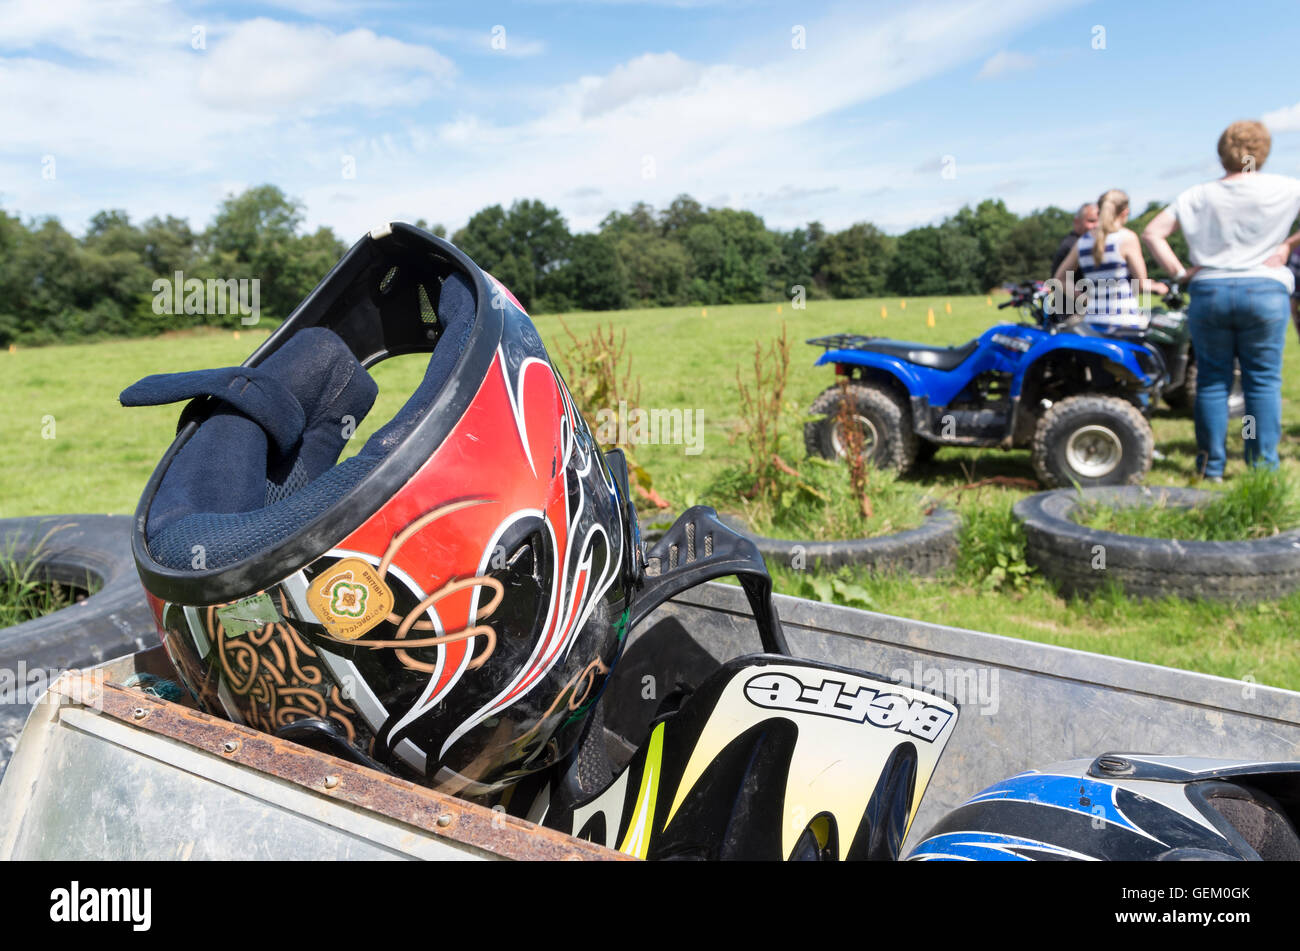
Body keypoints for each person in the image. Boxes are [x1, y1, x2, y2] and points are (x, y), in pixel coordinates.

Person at [1143, 120, 1300, 481]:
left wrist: (1181, 272)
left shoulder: (1197, 195)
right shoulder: (1285, 188)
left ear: (1221, 152)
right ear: (1264, 150)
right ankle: (1260, 466)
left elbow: (1153, 232)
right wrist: (1286, 246)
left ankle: (1211, 466)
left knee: (1213, 381)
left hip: (1210, 290)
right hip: (1264, 290)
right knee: (1261, 381)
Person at [1053, 189, 1167, 330]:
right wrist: (1159, 287)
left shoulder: (1083, 241)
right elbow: (1141, 284)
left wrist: (1086, 300)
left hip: (1092, 321)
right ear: (1125, 212)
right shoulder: (1126, 238)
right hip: (1124, 321)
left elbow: (1059, 279)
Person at [1048, 202, 1100, 278]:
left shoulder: (1080, 242)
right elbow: (1059, 282)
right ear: (1077, 222)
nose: (1097, 225)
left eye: (1099, 221)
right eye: (1091, 221)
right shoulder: (1074, 245)